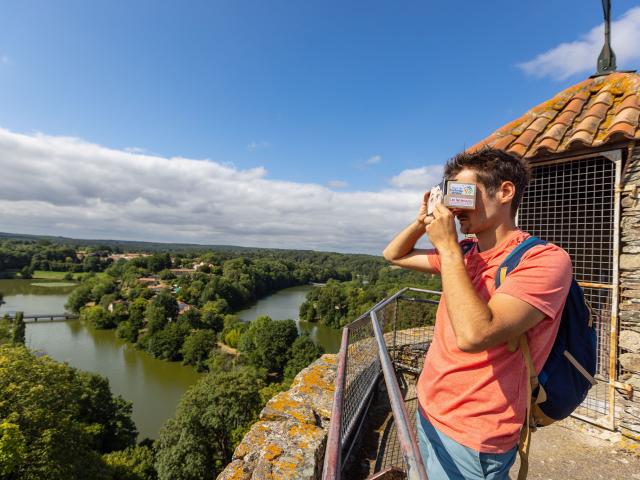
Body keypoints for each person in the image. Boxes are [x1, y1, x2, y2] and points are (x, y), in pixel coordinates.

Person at [383, 147, 573, 479]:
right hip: (429, 408)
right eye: (451, 193)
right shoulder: (466, 253)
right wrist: (421, 222)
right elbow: (394, 254)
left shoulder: (544, 260)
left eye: (464, 192)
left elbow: (475, 335)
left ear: (505, 191)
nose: (456, 206)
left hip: (473, 433)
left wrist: (446, 247)